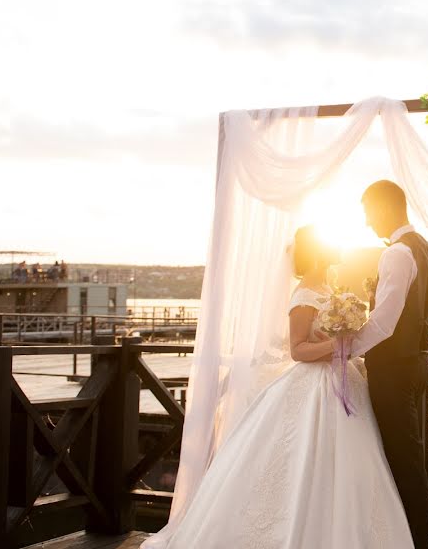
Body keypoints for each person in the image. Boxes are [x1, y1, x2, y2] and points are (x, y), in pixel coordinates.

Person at [157, 226, 412, 549]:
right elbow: (298, 350)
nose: (339, 248)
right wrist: (337, 343)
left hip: (342, 381)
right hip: (314, 385)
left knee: (353, 468)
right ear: (318, 251)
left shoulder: (328, 288)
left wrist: (345, 340)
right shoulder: (304, 295)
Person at [335, 180, 428, 549]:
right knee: (410, 458)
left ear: (384, 208)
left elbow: (384, 322)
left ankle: (413, 542)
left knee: (401, 461)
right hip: (419, 366)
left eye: (368, 213)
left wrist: (343, 351)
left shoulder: (396, 253)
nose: (367, 223)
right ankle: (410, 538)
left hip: (393, 371)